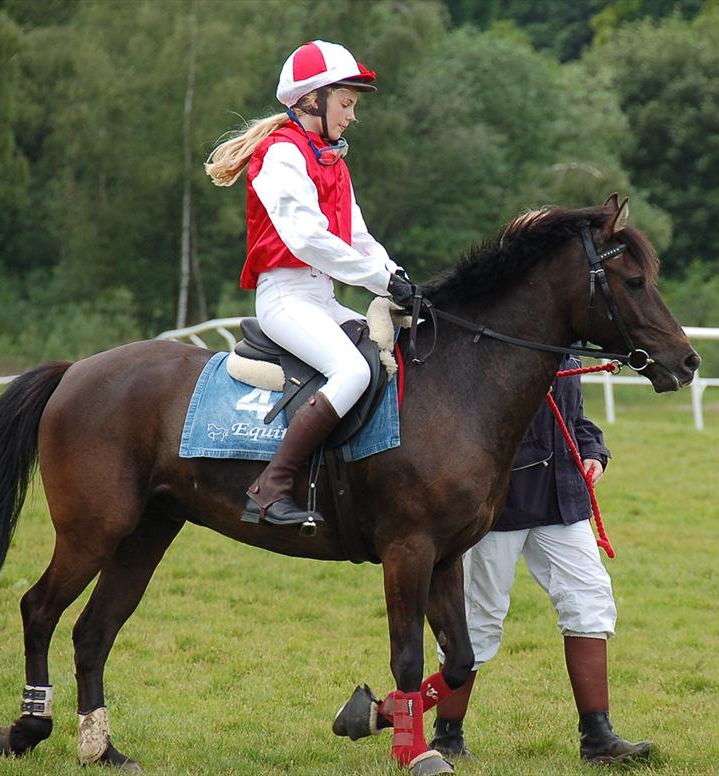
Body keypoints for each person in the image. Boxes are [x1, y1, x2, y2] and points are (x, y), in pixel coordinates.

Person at [206, 40, 416, 529]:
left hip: (322, 299)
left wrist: (398, 277)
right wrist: (379, 279)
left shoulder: (332, 160)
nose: (352, 116)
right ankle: (270, 489)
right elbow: (306, 238)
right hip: (285, 297)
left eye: (353, 105)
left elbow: (358, 238)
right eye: (346, 103)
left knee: (397, 351)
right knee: (352, 371)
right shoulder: (280, 154)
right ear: (311, 100)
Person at [430, 355, 653, 766]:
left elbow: (573, 416)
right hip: (498, 506)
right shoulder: (499, 341)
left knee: (590, 602)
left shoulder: (566, 345)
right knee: (477, 619)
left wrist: (593, 450)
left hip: (563, 500)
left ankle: (598, 738)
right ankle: (447, 738)